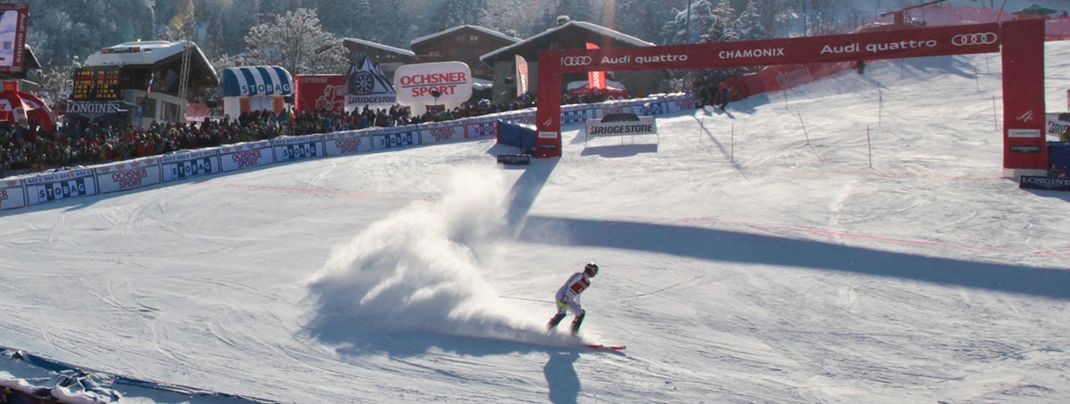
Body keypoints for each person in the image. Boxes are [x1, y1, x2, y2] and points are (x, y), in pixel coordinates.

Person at [547, 262, 599, 335]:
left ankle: (573, 334)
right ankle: (548, 332)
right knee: (562, 314)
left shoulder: (587, 283)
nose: (595, 273)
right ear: (589, 270)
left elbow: (578, 294)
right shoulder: (579, 275)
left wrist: (578, 305)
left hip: (569, 300)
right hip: (562, 296)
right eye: (595, 271)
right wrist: (565, 296)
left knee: (581, 313)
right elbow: (568, 285)